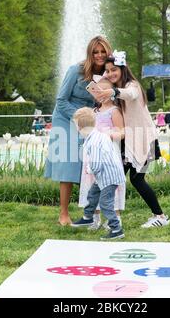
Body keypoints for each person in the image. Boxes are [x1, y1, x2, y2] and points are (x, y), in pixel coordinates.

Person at [93, 51, 170, 228]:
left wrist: (113, 90)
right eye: (108, 71)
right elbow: (105, 80)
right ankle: (110, 217)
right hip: (130, 143)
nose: (111, 73)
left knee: (137, 179)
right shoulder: (117, 88)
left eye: (114, 70)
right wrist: (107, 78)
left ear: (123, 68)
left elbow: (130, 94)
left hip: (146, 142)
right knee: (115, 175)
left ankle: (160, 216)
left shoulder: (132, 85)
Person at [44, 36, 113, 226]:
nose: (99, 55)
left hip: (91, 118)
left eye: (102, 51)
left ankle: (94, 212)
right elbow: (61, 100)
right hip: (67, 117)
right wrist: (80, 117)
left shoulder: (109, 73)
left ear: (108, 51)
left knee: (92, 164)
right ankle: (63, 214)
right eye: (95, 52)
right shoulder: (76, 70)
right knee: (68, 163)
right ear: (90, 54)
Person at [78, 78, 126, 230]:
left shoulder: (114, 111)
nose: (101, 94)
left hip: (108, 152)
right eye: (97, 91)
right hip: (93, 153)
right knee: (93, 183)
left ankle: (116, 217)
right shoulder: (93, 112)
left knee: (109, 184)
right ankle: (94, 217)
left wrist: (109, 134)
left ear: (111, 93)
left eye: (104, 91)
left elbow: (122, 131)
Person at [71, 107, 126, 240]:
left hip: (109, 176)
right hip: (105, 174)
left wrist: (89, 169)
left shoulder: (93, 142)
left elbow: (95, 163)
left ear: (79, 127)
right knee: (93, 194)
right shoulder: (97, 135)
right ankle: (88, 217)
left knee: (105, 203)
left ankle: (116, 228)